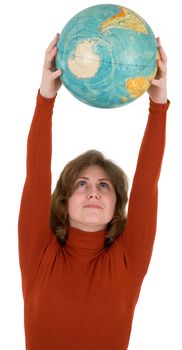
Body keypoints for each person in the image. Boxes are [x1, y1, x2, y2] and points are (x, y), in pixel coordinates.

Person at [18, 33, 169, 350]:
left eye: (104, 186)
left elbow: (146, 185)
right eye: (81, 184)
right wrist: (45, 98)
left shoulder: (129, 259)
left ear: (117, 205)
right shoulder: (39, 253)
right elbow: (36, 177)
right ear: (64, 201)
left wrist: (158, 106)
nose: (93, 193)